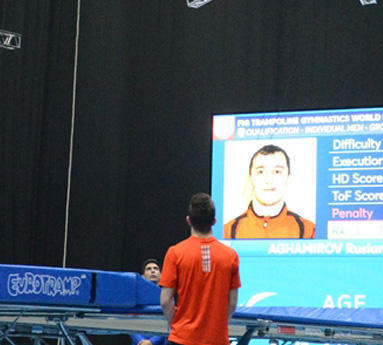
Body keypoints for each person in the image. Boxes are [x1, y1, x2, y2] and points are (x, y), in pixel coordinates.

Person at [160, 194, 240, 345]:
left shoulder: (175, 253)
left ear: (188, 220)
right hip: (216, 339)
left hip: (182, 338)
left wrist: (176, 325)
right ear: (214, 222)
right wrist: (218, 326)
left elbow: (165, 301)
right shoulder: (230, 256)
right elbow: (232, 303)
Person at [223, 144, 315, 239]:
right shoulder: (228, 231)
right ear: (250, 178)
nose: (269, 180)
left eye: (277, 172)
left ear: (288, 178)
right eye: (261, 172)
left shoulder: (307, 230)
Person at [132, 260, 166, 345]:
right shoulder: (134, 297)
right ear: (142, 276)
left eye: (156, 268)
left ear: (161, 275)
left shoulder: (167, 297)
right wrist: (140, 341)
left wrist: (152, 342)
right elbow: (129, 321)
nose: (153, 271)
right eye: (148, 269)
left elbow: (171, 323)